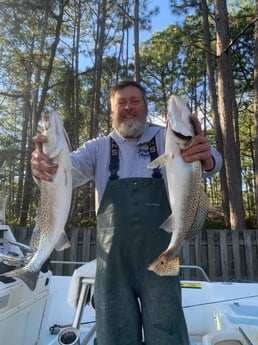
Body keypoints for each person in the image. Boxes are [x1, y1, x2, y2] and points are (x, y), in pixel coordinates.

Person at [31, 80, 222, 345]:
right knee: (114, 331)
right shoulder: (97, 148)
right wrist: (43, 166)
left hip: (163, 254)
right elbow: (62, 174)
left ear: (146, 108)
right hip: (112, 264)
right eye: (121, 103)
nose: (129, 108)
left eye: (135, 101)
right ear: (112, 111)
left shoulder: (167, 137)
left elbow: (211, 162)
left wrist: (208, 157)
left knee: (167, 326)